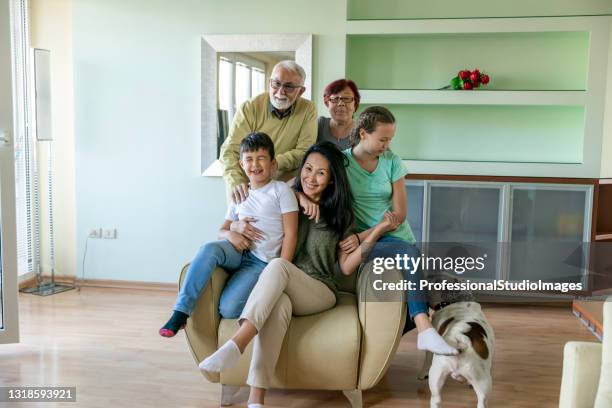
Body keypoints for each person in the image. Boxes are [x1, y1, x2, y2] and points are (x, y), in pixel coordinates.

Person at [198, 142, 398, 408]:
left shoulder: (339, 214)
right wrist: (297, 196)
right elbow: (270, 188)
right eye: (308, 169)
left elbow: (347, 267)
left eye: (321, 173)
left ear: (331, 180)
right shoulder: (285, 199)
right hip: (284, 289)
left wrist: (376, 231)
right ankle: (256, 400)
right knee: (278, 304)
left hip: (320, 291)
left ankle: (238, 343)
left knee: (279, 266)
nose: (311, 177)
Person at [339, 106, 458, 356]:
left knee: (410, 263)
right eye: (382, 139)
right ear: (363, 134)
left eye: (390, 139)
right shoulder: (342, 163)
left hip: (396, 237)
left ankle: (404, 336)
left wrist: (360, 235)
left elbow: (400, 214)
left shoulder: (392, 161)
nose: (387, 144)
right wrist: (366, 236)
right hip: (372, 242)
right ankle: (424, 327)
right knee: (408, 258)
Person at [159, 133, 299, 337]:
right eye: (249, 159)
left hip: (260, 261)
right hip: (235, 251)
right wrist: (233, 231)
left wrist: (280, 272)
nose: (255, 164)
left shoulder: (280, 191)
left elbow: (291, 233)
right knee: (209, 249)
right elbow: (221, 230)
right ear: (242, 164)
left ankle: (260, 292)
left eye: (261, 158)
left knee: (228, 309)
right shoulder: (240, 194)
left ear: (273, 163)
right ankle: (180, 312)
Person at [220, 60, 317, 204]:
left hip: (285, 191)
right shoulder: (249, 108)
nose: (280, 92)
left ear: (301, 91)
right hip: (248, 192)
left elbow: (305, 151)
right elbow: (230, 150)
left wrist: (274, 163)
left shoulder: (308, 109)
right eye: (276, 83)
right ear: (269, 82)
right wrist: (236, 181)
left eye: (289, 86)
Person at [317, 78, 360, 151]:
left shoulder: (364, 131)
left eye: (346, 98)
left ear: (355, 104)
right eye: (335, 98)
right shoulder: (320, 124)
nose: (341, 103)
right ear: (327, 103)